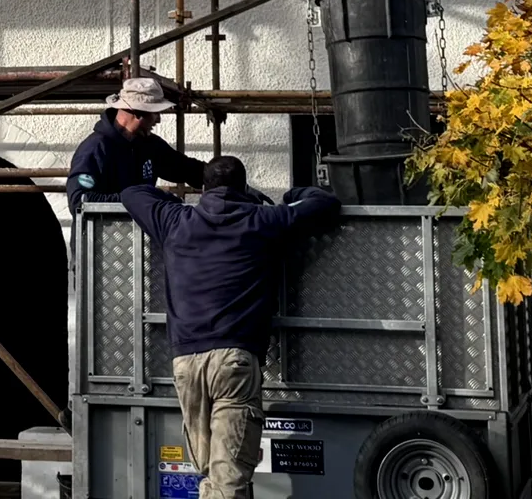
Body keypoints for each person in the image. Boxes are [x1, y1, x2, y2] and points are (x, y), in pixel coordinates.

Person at [121, 157, 340, 499]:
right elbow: (324, 203)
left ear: (204, 188)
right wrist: (290, 194)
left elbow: (133, 193)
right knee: (228, 478)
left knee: (212, 472)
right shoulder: (263, 220)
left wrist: (176, 200)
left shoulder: (175, 220)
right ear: (244, 187)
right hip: (234, 361)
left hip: (185, 363)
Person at [65, 77, 205, 212]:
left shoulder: (149, 145)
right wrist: (141, 200)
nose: (158, 120)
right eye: (155, 113)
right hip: (102, 229)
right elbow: (79, 202)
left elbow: (187, 169)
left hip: (137, 229)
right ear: (137, 112)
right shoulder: (95, 149)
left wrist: (216, 173)